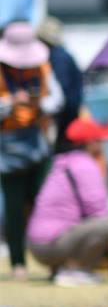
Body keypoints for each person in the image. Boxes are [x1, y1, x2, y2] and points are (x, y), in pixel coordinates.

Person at [0, 20, 65, 280]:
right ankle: (18, 261)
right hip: (7, 149)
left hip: (38, 145)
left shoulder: (43, 66)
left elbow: (57, 100)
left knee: (46, 203)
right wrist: (10, 103)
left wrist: (40, 104)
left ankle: (52, 259)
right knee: (14, 207)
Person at [26, 115, 108, 286]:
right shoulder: (85, 165)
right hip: (51, 246)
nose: (103, 145)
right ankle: (78, 269)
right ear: (90, 143)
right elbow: (98, 210)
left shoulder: (63, 162)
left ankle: (63, 267)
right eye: (100, 140)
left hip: (36, 244)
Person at [35, 16, 83, 151]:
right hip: (70, 116)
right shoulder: (63, 55)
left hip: (65, 120)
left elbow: (62, 93)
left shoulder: (57, 58)